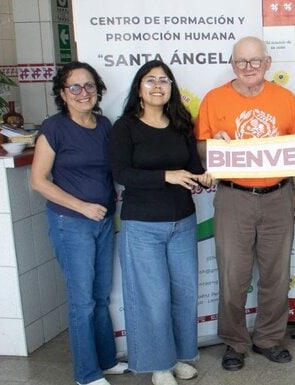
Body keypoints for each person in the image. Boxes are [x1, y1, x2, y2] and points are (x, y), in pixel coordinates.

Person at [195, 36, 295, 370]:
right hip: (233, 198)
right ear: (233, 64)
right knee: (233, 276)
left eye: (255, 62)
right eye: (241, 62)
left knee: (276, 275)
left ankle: (269, 338)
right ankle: (235, 342)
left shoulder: (285, 99)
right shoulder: (214, 100)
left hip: (278, 196)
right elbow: (201, 149)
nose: (248, 68)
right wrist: (213, 145)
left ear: (268, 63)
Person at [110, 60, 212, 385]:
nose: (158, 85)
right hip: (142, 226)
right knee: (152, 299)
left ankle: (180, 357)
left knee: (184, 295)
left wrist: (204, 178)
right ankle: (159, 365)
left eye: (164, 80)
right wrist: (165, 176)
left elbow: (193, 168)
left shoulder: (182, 124)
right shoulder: (124, 128)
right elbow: (121, 174)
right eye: (150, 80)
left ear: (171, 88)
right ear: (139, 89)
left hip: (182, 221)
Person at [30, 61, 128, 385]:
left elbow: (117, 169)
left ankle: (106, 360)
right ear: (63, 93)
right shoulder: (54, 128)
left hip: (102, 222)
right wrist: (82, 207)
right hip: (70, 222)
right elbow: (38, 181)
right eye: (75, 87)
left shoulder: (105, 125)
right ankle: (86, 374)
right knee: (82, 301)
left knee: (100, 296)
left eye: (89, 86)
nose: (83, 93)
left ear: (97, 91)